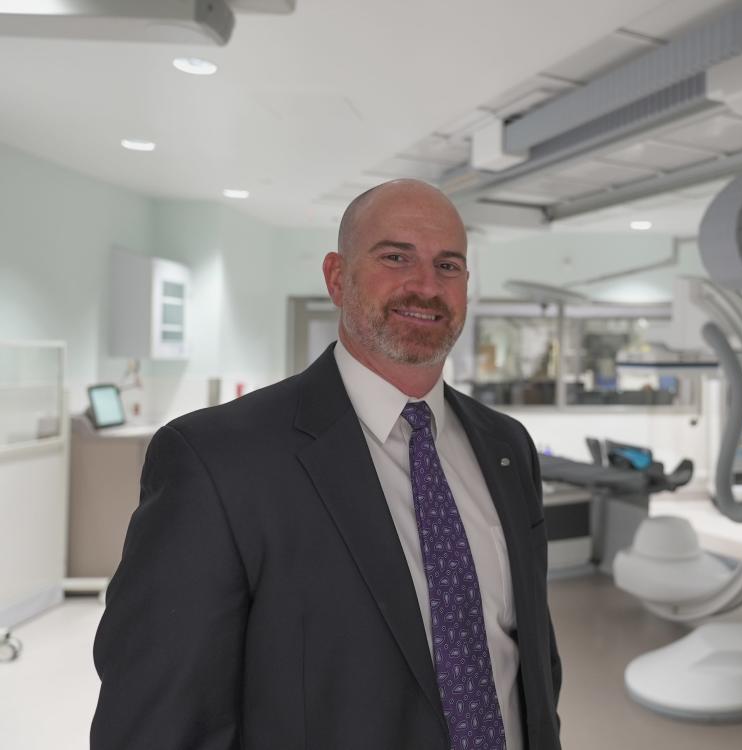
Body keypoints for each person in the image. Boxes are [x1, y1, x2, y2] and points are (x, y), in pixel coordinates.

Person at [92, 180, 562, 750]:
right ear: (338, 278)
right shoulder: (216, 462)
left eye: (449, 265)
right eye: (395, 257)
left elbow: (528, 662)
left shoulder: (506, 447)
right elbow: (158, 725)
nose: (425, 285)